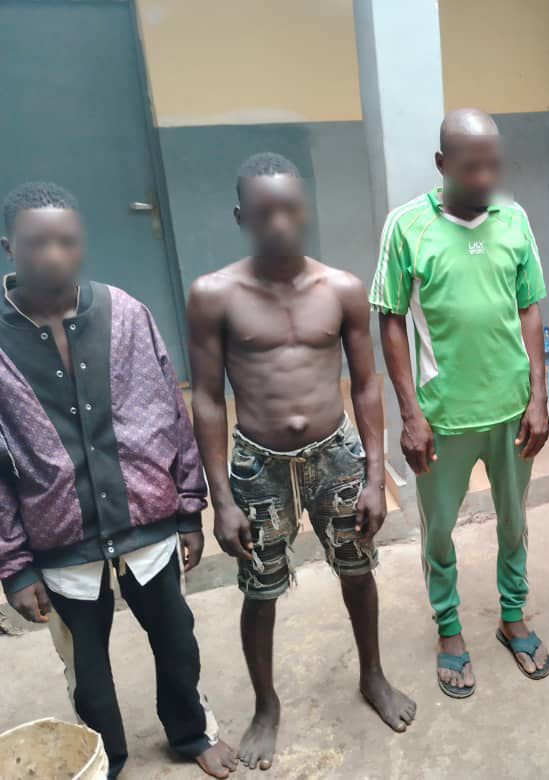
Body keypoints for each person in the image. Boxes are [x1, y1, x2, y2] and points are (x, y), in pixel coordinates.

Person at [0, 182, 236, 778]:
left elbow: (170, 411)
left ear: (83, 243)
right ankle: (104, 757)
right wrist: (15, 566)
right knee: (87, 671)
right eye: (37, 243)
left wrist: (189, 509)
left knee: (177, 640)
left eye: (67, 241)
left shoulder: (125, 313)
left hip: (147, 524)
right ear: (9, 248)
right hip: (60, 541)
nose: (54, 255)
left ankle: (191, 731)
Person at [188, 153, 414, 771]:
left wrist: (375, 476)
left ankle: (372, 675)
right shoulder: (214, 295)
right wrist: (221, 499)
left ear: (305, 210)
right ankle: (266, 705)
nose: (280, 223)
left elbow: (365, 385)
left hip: (334, 454)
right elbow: (206, 398)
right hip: (258, 464)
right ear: (242, 217)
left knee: (358, 570)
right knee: (259, 589)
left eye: (290, 209)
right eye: (265, 213)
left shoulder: (341, 288)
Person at [371, 109, 549, 699]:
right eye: (472, 168)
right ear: (442, 164)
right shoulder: (407, 227)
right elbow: (391, 319)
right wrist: (410, 414)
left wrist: (539, 397)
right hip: (443, 417)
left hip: (511, 411)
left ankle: (513, 615)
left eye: (494, 166)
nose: (485, 178)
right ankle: (448, 626)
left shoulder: (514, 218)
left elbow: (529, 308)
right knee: (440, 531)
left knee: (515, 522)